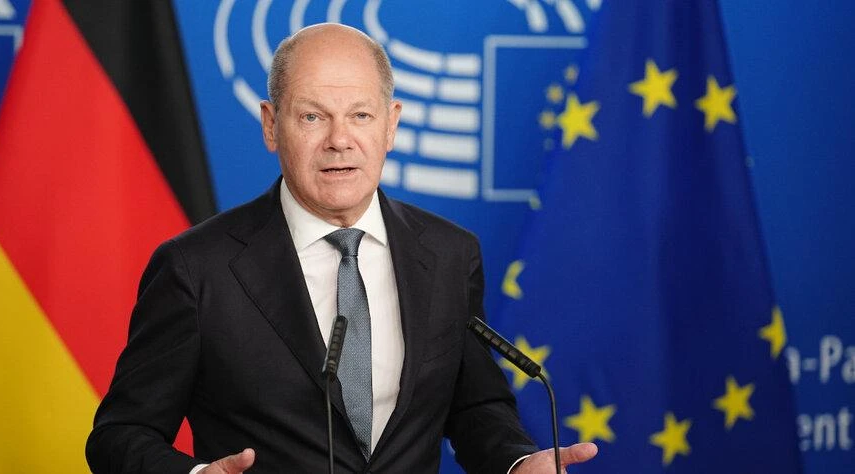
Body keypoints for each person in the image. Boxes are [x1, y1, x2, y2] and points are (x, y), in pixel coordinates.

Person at [86, 23, 597, 473]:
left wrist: (515, 462)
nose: (339, 140)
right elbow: (120, 434)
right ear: (271, 125)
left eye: (361, 115)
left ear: (391, 124)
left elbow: (474, 406)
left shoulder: (449, 255)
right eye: (312, 117)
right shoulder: (196, 268)